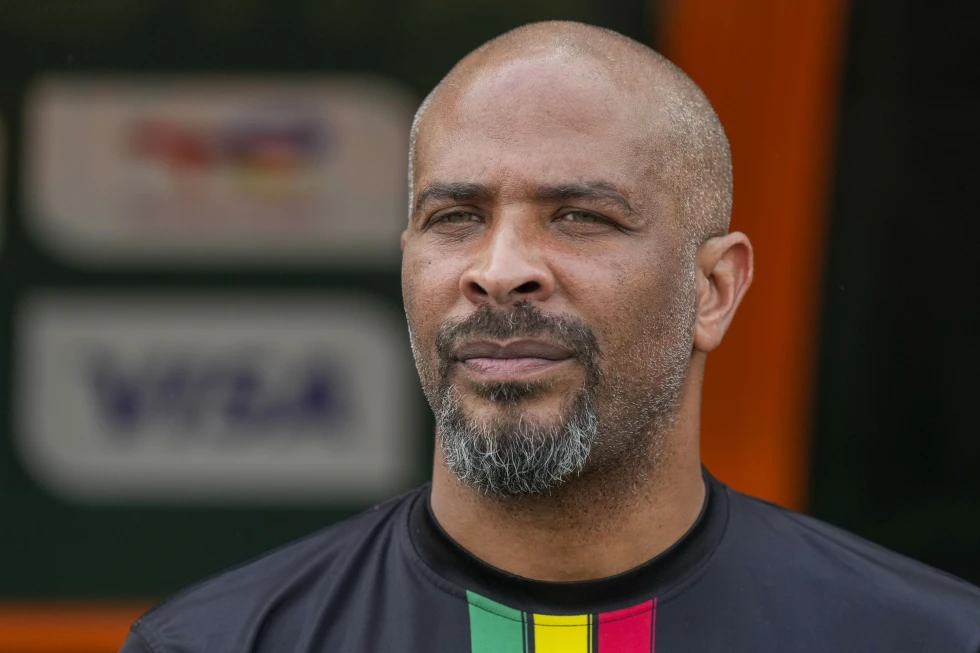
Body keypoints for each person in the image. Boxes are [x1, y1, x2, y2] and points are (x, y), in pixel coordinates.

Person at [119, 21, 980, 653]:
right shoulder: (217, 643)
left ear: (714, 289)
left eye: (578, 216)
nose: (499, 270)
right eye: (455, 216)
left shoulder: (925, 638)